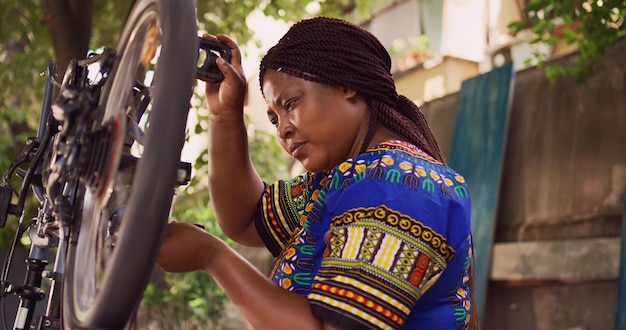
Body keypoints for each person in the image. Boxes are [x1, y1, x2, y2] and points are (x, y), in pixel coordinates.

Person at [157, 16, 479, 330]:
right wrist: (225, 115)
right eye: (273, 119)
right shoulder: (343, 182)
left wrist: (210, 255)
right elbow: (246, 219)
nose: (282, 129)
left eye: (291, 103)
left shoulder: (398, 188)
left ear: (347, 85)